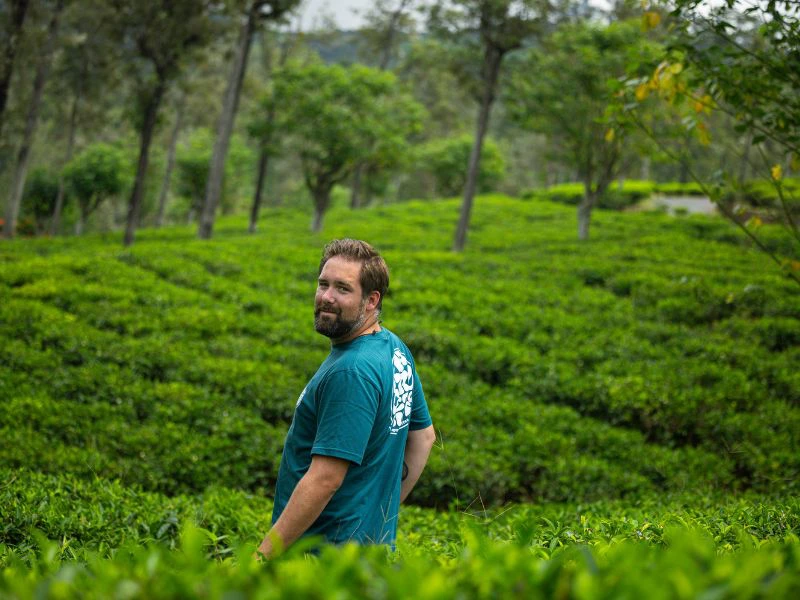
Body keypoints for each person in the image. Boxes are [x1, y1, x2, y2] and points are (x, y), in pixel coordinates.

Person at [257, 239, 436, 558]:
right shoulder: (394, 349)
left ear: (371, 300)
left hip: (323, 563)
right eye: (323, 284)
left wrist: (260, 559)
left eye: (342, 288)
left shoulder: (351, 371)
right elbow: (423, 438)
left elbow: (325, 478)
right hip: (367, 557)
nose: (326, 297)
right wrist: (378, 514)